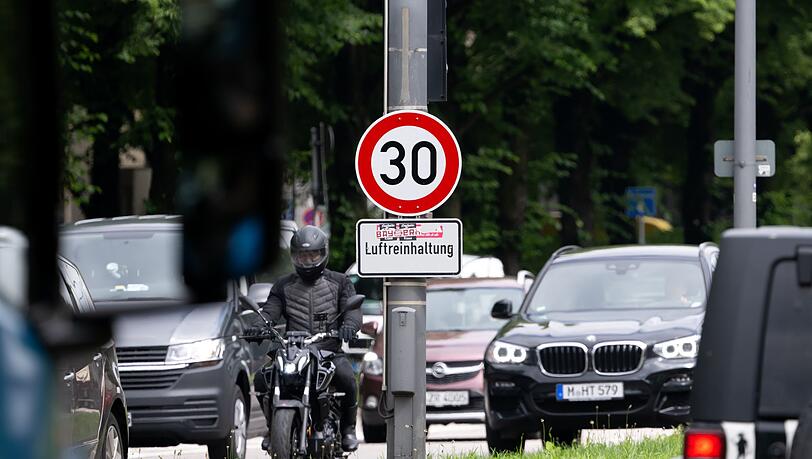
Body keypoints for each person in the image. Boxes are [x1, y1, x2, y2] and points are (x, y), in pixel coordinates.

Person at [248, 225, 361, 452]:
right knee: (262, 378)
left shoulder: (340, 282)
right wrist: (259, 325)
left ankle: (348, 429)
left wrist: (349, 326)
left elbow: (352, 311)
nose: (308, 260)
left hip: (328, 350)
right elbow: (270, 310)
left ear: (323, 254)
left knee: (347, 377)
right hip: (293, 349)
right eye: (303, 255)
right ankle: (274, 428)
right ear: (294, 256)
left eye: (313, 255)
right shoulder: (283, 285)